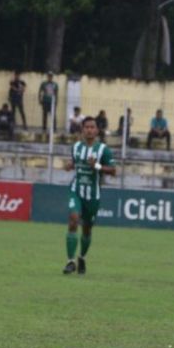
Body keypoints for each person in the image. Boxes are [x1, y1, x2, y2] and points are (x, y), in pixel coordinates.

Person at [62, 116, 117, 275]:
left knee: (86, 229)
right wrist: (69, 165)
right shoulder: (76, 147)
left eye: (92, 127)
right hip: (76, 190)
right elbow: (74, 162)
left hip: (93, 195)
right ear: (82, 130)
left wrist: (97, 166)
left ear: (97, 130)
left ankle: (82, 257)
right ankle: (70, 261)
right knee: (73, 219)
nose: (89, 130)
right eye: (86, 127)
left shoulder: (103, 150)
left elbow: (113, 171)